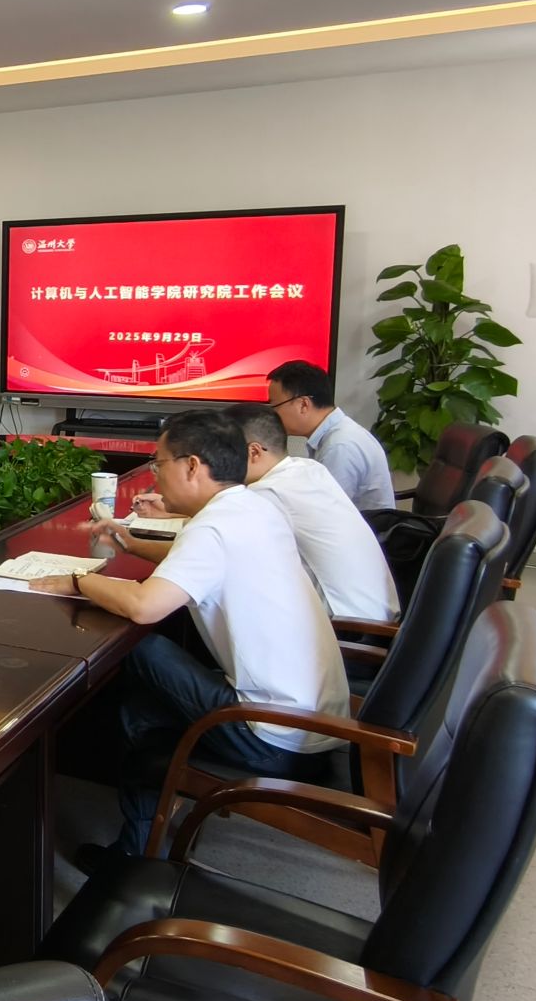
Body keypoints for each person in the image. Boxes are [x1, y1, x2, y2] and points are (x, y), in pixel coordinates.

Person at [28, 410, 350, 856]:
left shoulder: (215, 527)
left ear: (193, 466)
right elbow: (193, 559)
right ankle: (136, 846)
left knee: (143, 651)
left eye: (159, 464)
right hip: (314, 723)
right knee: (144, 705)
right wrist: (127, 541)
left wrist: (77, 582)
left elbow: (144, 605)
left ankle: (135, 842)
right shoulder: (251, 507)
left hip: (273, 735)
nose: (155, 475)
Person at [224, 402, 400, 623]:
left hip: (349, 629)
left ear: (254, 452)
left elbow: (218, 543)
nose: (217, 464)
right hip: (376, 616)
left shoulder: (268, 492)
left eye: (223, 454)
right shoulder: (309, 469)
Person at [266, 360, 396, 511]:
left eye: (275, 406)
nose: (272, 414)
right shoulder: (335, 434)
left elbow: (325, 510)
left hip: (362, 525)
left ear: (303, 404)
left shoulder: (339, 446)